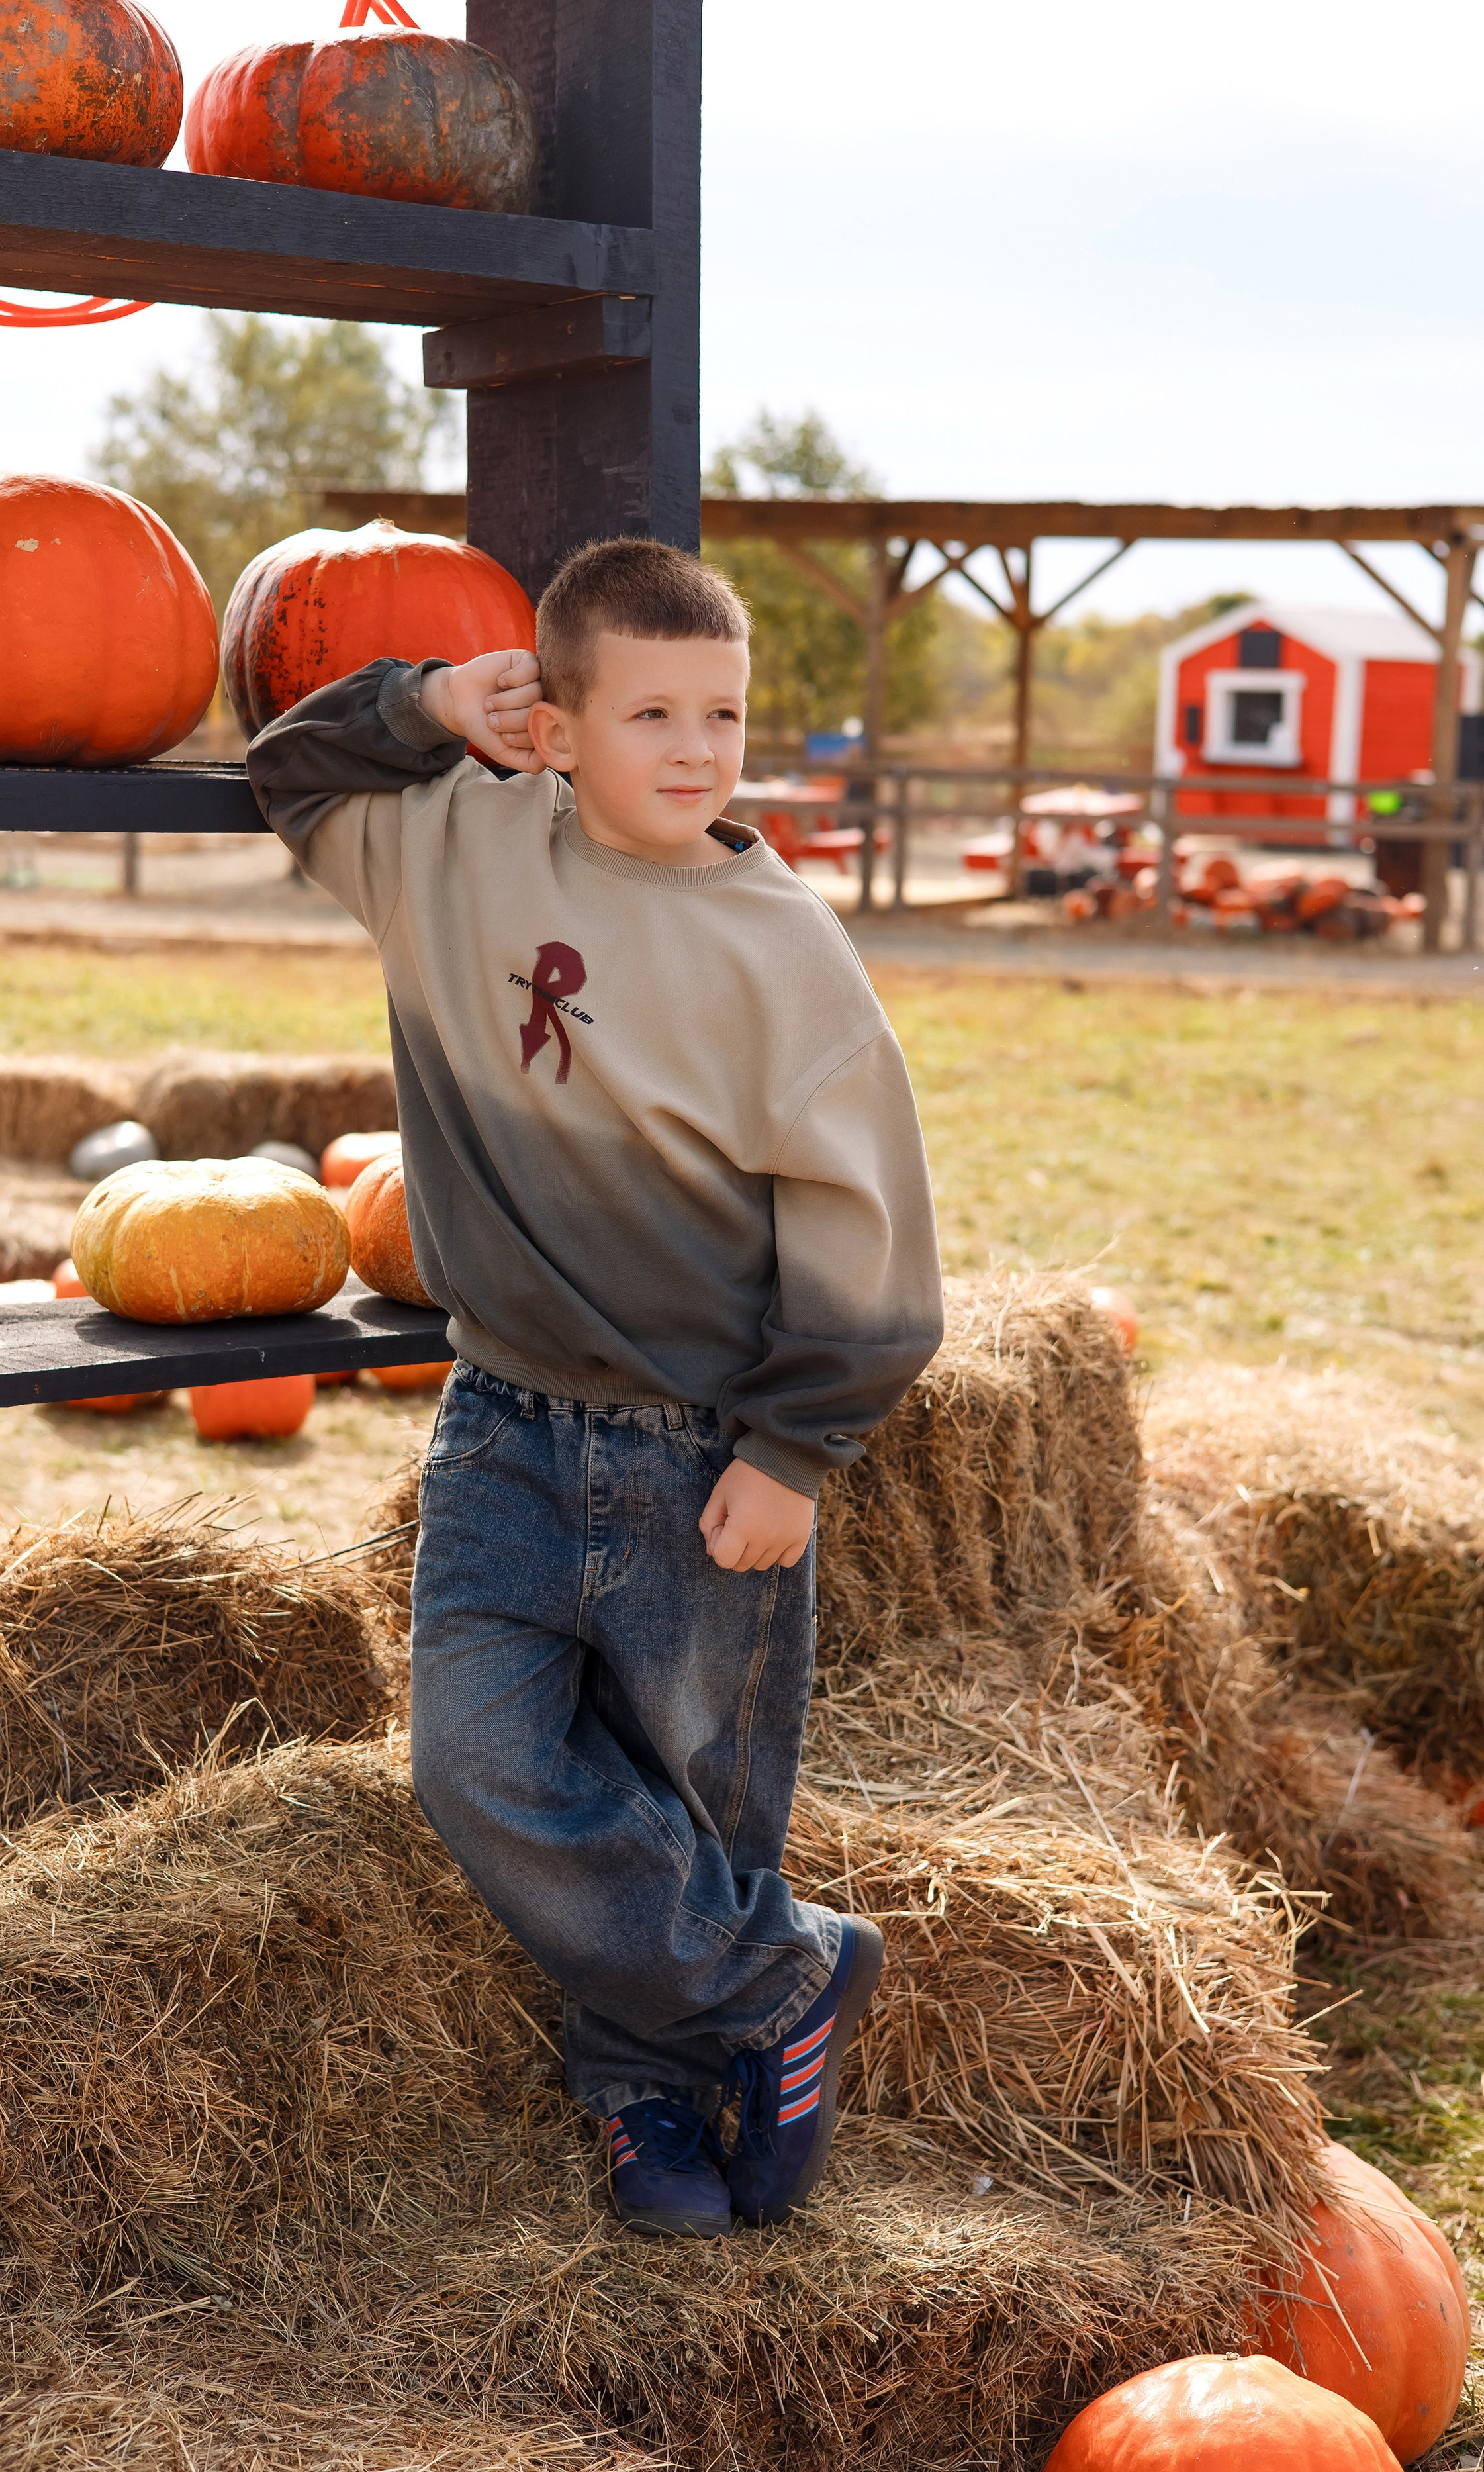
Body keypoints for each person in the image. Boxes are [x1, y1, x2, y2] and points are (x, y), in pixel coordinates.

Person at [248, 538, 943, 2238]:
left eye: (722, 711)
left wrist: (792, 1446)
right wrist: (420, 700)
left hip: (701, 1450)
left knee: (689, 1789)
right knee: (476, 1766)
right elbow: (285, 773)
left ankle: (643, 2098)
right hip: (499, 1425)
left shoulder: (782, 951)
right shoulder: (453, 851)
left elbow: (870, 1227)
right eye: (648, 712)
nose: (697, 747)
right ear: (548, 726)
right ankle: (784, 1986)